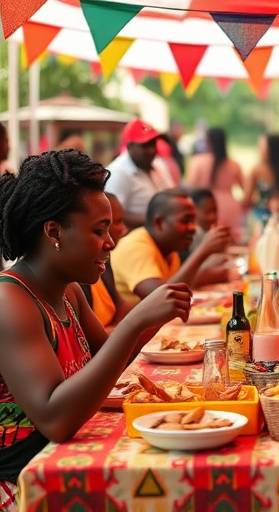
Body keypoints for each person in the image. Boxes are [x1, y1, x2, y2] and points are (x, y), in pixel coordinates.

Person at [0, 150, 192, 507]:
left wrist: (151, 318)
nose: (111, 242)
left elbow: (110, 360)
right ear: (53, 232)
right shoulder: (11, 301)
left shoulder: (68, 291)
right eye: (99, 230)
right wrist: (134, 320)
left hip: (64, 465)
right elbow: (54, 418)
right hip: (22, 486)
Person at [111, 189, 233, 304]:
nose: (193, 228)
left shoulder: (170, 250)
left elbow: (181, 287)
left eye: (193, 221)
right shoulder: (135, 246)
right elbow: (164, 299)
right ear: (159, 223)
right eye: (186, 221)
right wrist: (203, 251)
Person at [105, 119, 175, 229]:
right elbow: (112, 213)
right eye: (145, 145)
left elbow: (171, 193)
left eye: (153, 144)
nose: (152, 150)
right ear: (129, 146)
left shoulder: (158, 163)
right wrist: (155, 219)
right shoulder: (118, 172)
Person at [81, 193, 131, 328]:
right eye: (99, 231)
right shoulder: (74, 281)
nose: (124, 229)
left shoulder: (101, 258)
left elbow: (122, 305)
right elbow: (91, 344)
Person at [186, 127, 244, 240]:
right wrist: (241, 206)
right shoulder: (234, 164)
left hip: (205, 207)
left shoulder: (197, 162)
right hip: (230, 207)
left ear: (208, 141)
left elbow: (190, 188)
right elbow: (246, 191)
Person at [244, 134, 279, 224]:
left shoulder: (257, 170)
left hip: (263, 217)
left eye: (261, 146)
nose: (259, 150)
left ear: (272, 149)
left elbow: (247, 200)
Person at [188, 188, 218, 253]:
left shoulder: (210, 232)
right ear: (194, 211)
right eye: (208, 212)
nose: (213, 217)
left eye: (215, 211)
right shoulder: (190, 236)